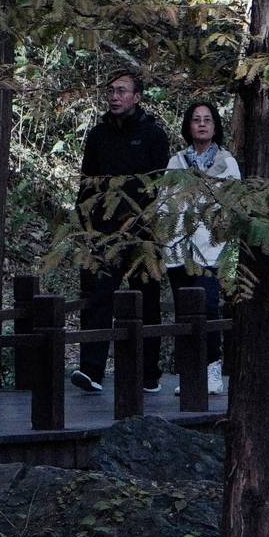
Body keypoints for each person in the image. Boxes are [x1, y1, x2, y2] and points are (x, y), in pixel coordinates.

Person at [73, 67, 171, 394]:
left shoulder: (154, 134)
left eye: (122, 91)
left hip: (144, 233)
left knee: (148, 302)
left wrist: (141, 222)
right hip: (103, 234)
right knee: (98, 297)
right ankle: (91, 371)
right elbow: (87, 183)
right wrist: (86, 226)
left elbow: (158, 186)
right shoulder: (98, 135)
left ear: (137, 97)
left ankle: (147, 373)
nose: (115, 96)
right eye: (111, 90)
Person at [161, 98, 237, 391]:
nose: (202, 124)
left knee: (207, 307)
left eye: (207, 119)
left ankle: (212, 371)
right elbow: (165, 204)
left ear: (215, 126)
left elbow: (233, 207)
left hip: (211, 251)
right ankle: (190, 373)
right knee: (185, 312)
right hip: (179, 250)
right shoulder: (176, 162)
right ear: (188, 125)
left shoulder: (227, 163)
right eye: (196, 119)